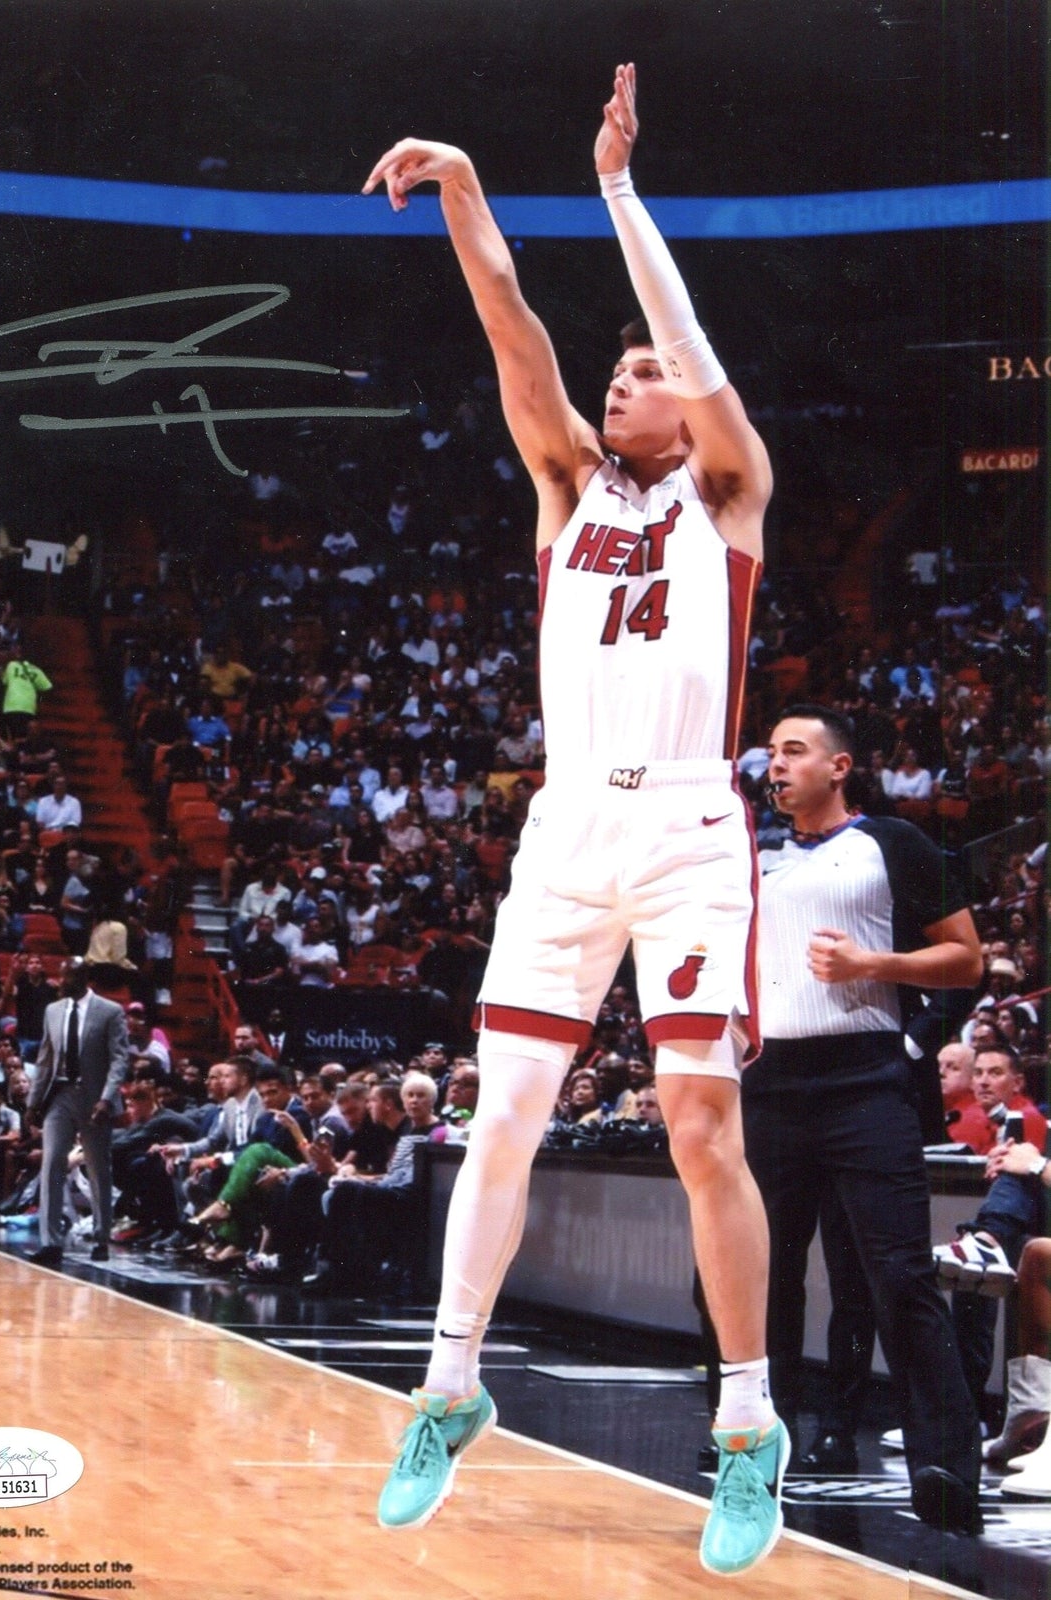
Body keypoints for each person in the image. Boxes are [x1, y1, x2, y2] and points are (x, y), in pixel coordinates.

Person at [364, 62, 784, 1573]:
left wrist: (614, 190)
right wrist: (470, 185)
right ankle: (448, 1383)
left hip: (684, 832)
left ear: (693, 392)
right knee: (503, 1124)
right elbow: (512, 330)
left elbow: (684, 343)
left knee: (696, 1121)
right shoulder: (566, 484)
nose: (624, 383)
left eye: (646, 373)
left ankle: (747, 1428)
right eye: (617, 377)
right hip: (563, 837)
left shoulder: (727, 492)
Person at [749, 704, 983, 1533]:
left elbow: (967, 957)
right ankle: (751, 1444)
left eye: (793, 751)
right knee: (757, 1275)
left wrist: (871, 963)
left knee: (896, 1274)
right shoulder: (745, 855)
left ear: (839, 766)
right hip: (767, 1084)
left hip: (864, 1081)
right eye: (771, 753)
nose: (775, 764)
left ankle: (949, 1465)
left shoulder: (894, 843)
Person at [26, 959, 128, 1266]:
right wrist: (32, 1103)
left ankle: (101, 1237)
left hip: (95, 1098)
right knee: (52, 1162)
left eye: (66, 975)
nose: (60, 981)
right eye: (60, 974)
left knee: (98, 1168)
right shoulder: (53, 1011)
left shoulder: (110, 1011)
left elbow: (119, 1059)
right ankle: (50, 1243)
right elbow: (45, 1059)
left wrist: (108, 1098)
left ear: (83, 978)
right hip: (60, 1094)